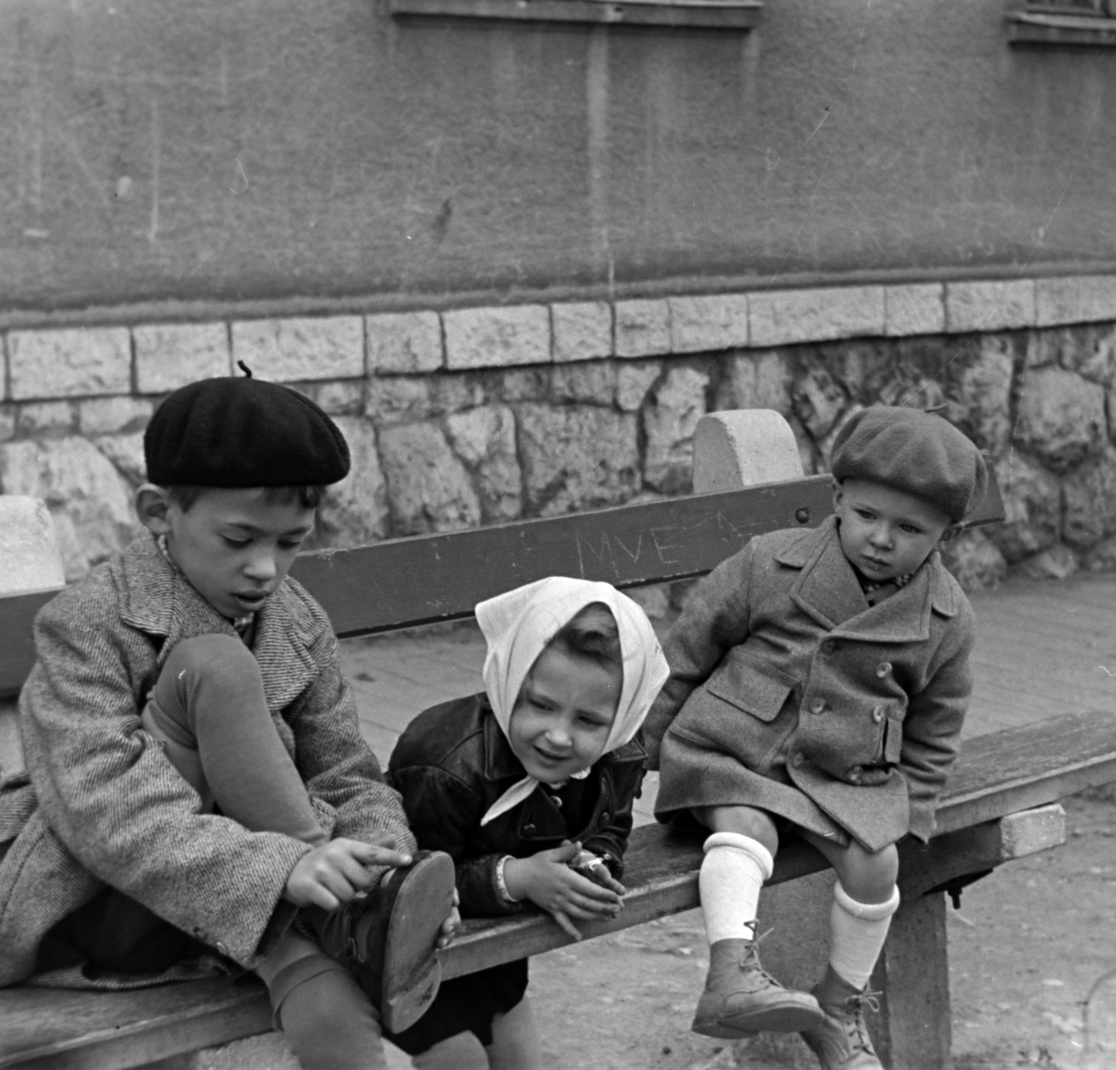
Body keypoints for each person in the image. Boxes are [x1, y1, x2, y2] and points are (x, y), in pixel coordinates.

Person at [0, 369, 457, 1070]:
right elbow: (108, 813)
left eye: (291, 542)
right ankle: (344, 918)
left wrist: (385, 863)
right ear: (158, 511)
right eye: (239, 538)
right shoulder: (87, 623)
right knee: (213, 666)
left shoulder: (298, 622)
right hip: (96, 908)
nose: (265, 569)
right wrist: (293, 862)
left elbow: (346, 771)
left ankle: (360, 924)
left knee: (332, 1007)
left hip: (252, 904)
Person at [640, 406, 989, 1070]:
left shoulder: (945, 616)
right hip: (731, 749)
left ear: (946, 535)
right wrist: (642, 747)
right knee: (747, 824)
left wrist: (909, 812)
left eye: (909, 528)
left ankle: (838, 1005)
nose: (881, 538)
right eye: (866, 516)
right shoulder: (773, 562)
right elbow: (688, 648)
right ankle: (730, 973)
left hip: (841, 774)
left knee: (876, 862)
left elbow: (939, 723)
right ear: (837, 500)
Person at [384, 577, 669, 1069]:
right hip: (408, 957)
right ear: (510, 678)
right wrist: (517, 877)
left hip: (492, 959)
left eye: (588, 721)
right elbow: (411, 886)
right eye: (539, 705)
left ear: (620, 718)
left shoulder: (619, 753)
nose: (558, 736)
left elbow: (611, 826)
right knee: (462, 1059)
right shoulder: (447, 766)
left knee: (519, 1054)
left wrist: (593, 862)